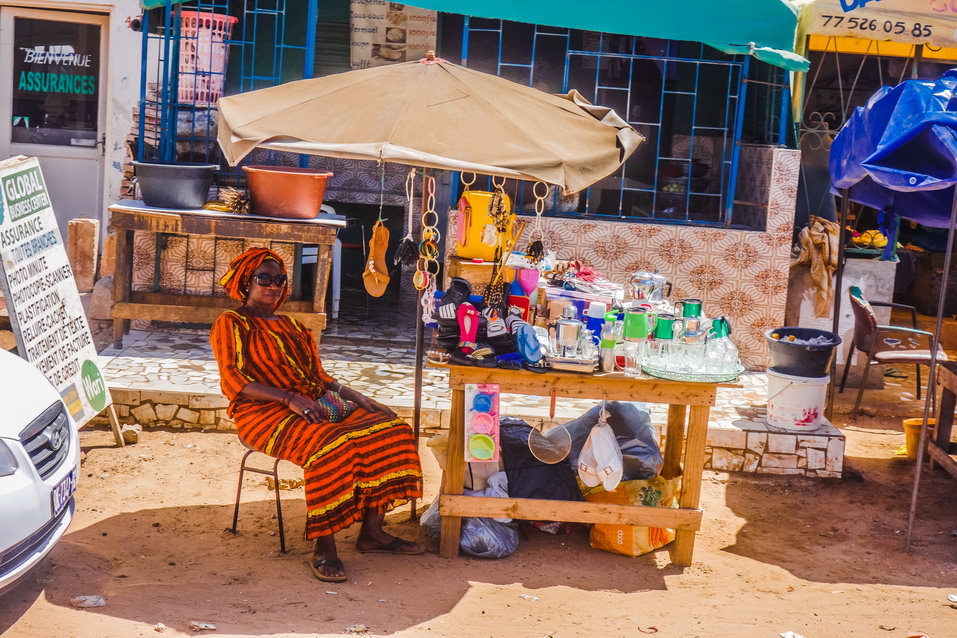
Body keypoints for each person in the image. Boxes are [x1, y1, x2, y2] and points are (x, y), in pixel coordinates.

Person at [210, 247, 424, 583]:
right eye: (263, 278)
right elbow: (234, 380)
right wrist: (288, 398)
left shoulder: (294, 326)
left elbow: (321, 378)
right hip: (262, 415)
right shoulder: (232, 324)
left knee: (392, 428)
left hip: (312, 403)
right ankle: (324, 546)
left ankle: (372, 533)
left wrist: (357, 396)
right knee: (330, 446)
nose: (273, 285)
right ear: (245, 282)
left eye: (279, 279)